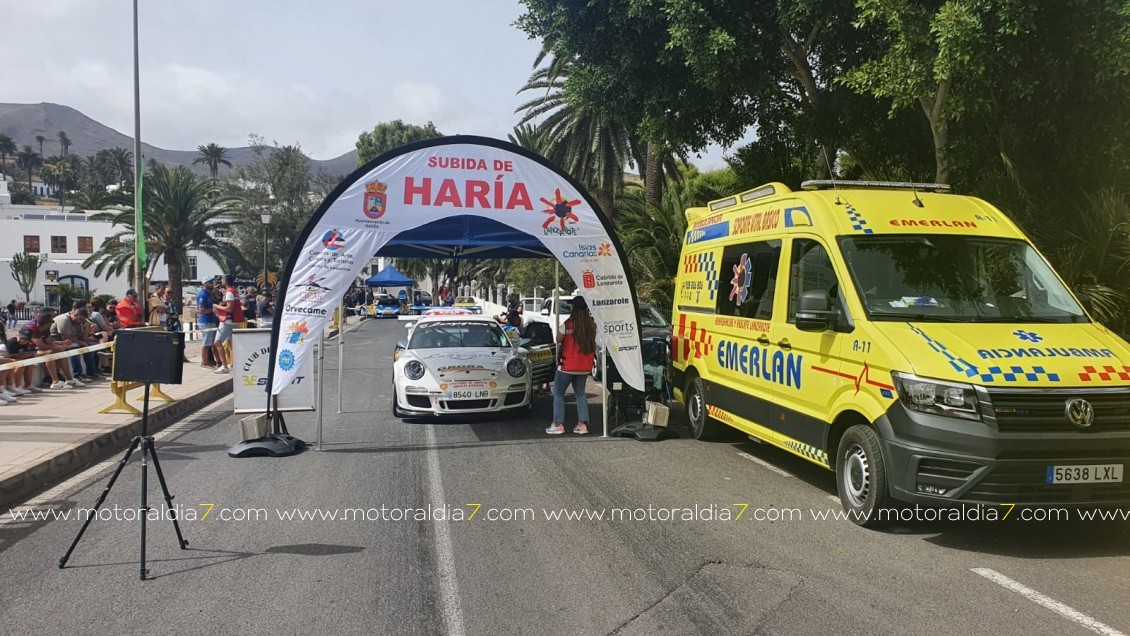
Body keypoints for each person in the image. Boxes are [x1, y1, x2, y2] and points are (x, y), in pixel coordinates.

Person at [547, 295, 596, 435]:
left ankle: (558, 425)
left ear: (574, 308)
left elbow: (558, 339)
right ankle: (582, 425)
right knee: (580, 394)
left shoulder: (568, 324)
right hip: (584, 367)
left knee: (558, 394)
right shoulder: (592, 324)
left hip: (567, 366)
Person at [213, 274, 244, 373]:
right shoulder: (234, 292)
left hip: (227, 321)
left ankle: (224, 366)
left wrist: (216, 306)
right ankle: (233, 365)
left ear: (225, 281)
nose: (221, 282)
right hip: (234, 321)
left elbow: (229, 309)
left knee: (217, 342)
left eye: (222, 280)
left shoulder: (229, 292)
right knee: (231, 344)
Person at [196, 277, 223, 369]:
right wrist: (214, 310)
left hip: (211, 320)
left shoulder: (209, 294)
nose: (212, 284)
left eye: (212, 282)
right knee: (206, 343)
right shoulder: (203, 294)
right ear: (205, 283)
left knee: (213, 342)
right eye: (210, 282)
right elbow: (201, 310)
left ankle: (218, 361)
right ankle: (204, 362)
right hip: (205, 321)